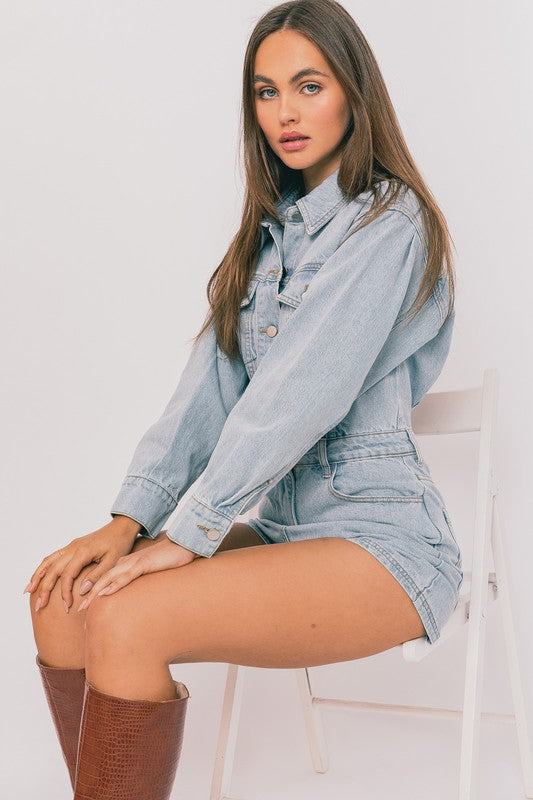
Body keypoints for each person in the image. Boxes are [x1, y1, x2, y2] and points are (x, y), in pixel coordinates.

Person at [25, 1, 463, 797]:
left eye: (308, 86)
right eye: (266, 92)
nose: (285, 112)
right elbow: (204, 397)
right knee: (64, 600)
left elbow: (298, 396)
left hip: (383, 543)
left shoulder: (388, 224)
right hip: (285, 533)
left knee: (127, 616)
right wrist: (129, 523)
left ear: (353, 94)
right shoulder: (264, 243)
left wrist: (189, 532)